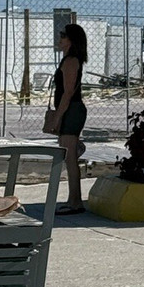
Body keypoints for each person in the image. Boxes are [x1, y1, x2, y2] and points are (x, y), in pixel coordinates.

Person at [47, 23, 88, 214]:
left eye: (63, 35)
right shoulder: (67, 60)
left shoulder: (71, 61)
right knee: (68, 155)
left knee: (70, 158)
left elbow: (68, 92)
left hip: (71, 110)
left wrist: (57, 118)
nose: (60, 39)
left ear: (71, 40)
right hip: (69, 110)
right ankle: (73, 199)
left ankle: (76, 202)